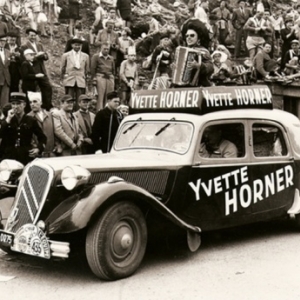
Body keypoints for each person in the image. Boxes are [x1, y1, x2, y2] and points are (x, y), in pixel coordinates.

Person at [0, 92, 47, 165]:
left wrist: (38, 149)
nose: (15, 106)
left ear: (24, 105)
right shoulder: (7, 120)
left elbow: (43, 138)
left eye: (18, 103)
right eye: (13, 104)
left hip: (24, 158)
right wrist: (8, 119)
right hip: (8, 158)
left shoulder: (31, 120)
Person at [20, 28, 52, 111]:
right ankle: (31, 109)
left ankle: (46, 106)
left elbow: (46, 57)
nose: (33, 37)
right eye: (31, 35)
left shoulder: (39, 45)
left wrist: (44, 56)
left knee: (47, 87)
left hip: (41, 70)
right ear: (27, 36)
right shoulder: (24, 46)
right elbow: (24, 60)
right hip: (32, 72)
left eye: (34, 35)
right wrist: (37, 56)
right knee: (32, 91)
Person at [179, 19, 213, 87]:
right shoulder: (182, 50)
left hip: (199, 84)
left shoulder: (203, 51)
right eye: (187, 36)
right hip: (183, 85)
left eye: (192, 35)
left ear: (198, 38)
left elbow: (211, 67)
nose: (188, 38)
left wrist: (199, 65)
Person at [27, 91, 62, 157]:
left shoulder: (49, 115)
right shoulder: (28, 117)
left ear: (41, 103)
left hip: (51, 153)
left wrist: (57, 144)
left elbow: (55, 132)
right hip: (37, 154)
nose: (32, 104)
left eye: (35, 101)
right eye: (30, 102)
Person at [60, 37, 90, 108]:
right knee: (69, 98)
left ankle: (78, 114)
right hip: (70, 79)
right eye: (75, 45)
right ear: (72, 45)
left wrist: (85, 79)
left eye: (79, 45)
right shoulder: (66, 55)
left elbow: (87, 69)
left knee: (80, 99)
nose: (77, 47)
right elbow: (62, 68)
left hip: (80, 80)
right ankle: (68, 113)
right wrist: (63, 78)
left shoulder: (85, 56)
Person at [91, 42, 115, 111]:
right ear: (101, 48)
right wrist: (94, 79)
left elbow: (113, 70)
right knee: (100, 96)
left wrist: (112, 77)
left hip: (109, 77)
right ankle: (100, 111)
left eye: (108, 49)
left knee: (109, 96)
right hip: (100, 77)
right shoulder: (96, 57)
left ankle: (109, 110)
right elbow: (93, 68)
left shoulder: (111, 58)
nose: (106, 51)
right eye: (105, 49)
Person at [0, 34, 10, 107]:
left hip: (6, 78)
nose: (2, 43)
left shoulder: (8, 52)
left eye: (4, 41)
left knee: (4, 101)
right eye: (0, 41)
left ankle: (4, 116)